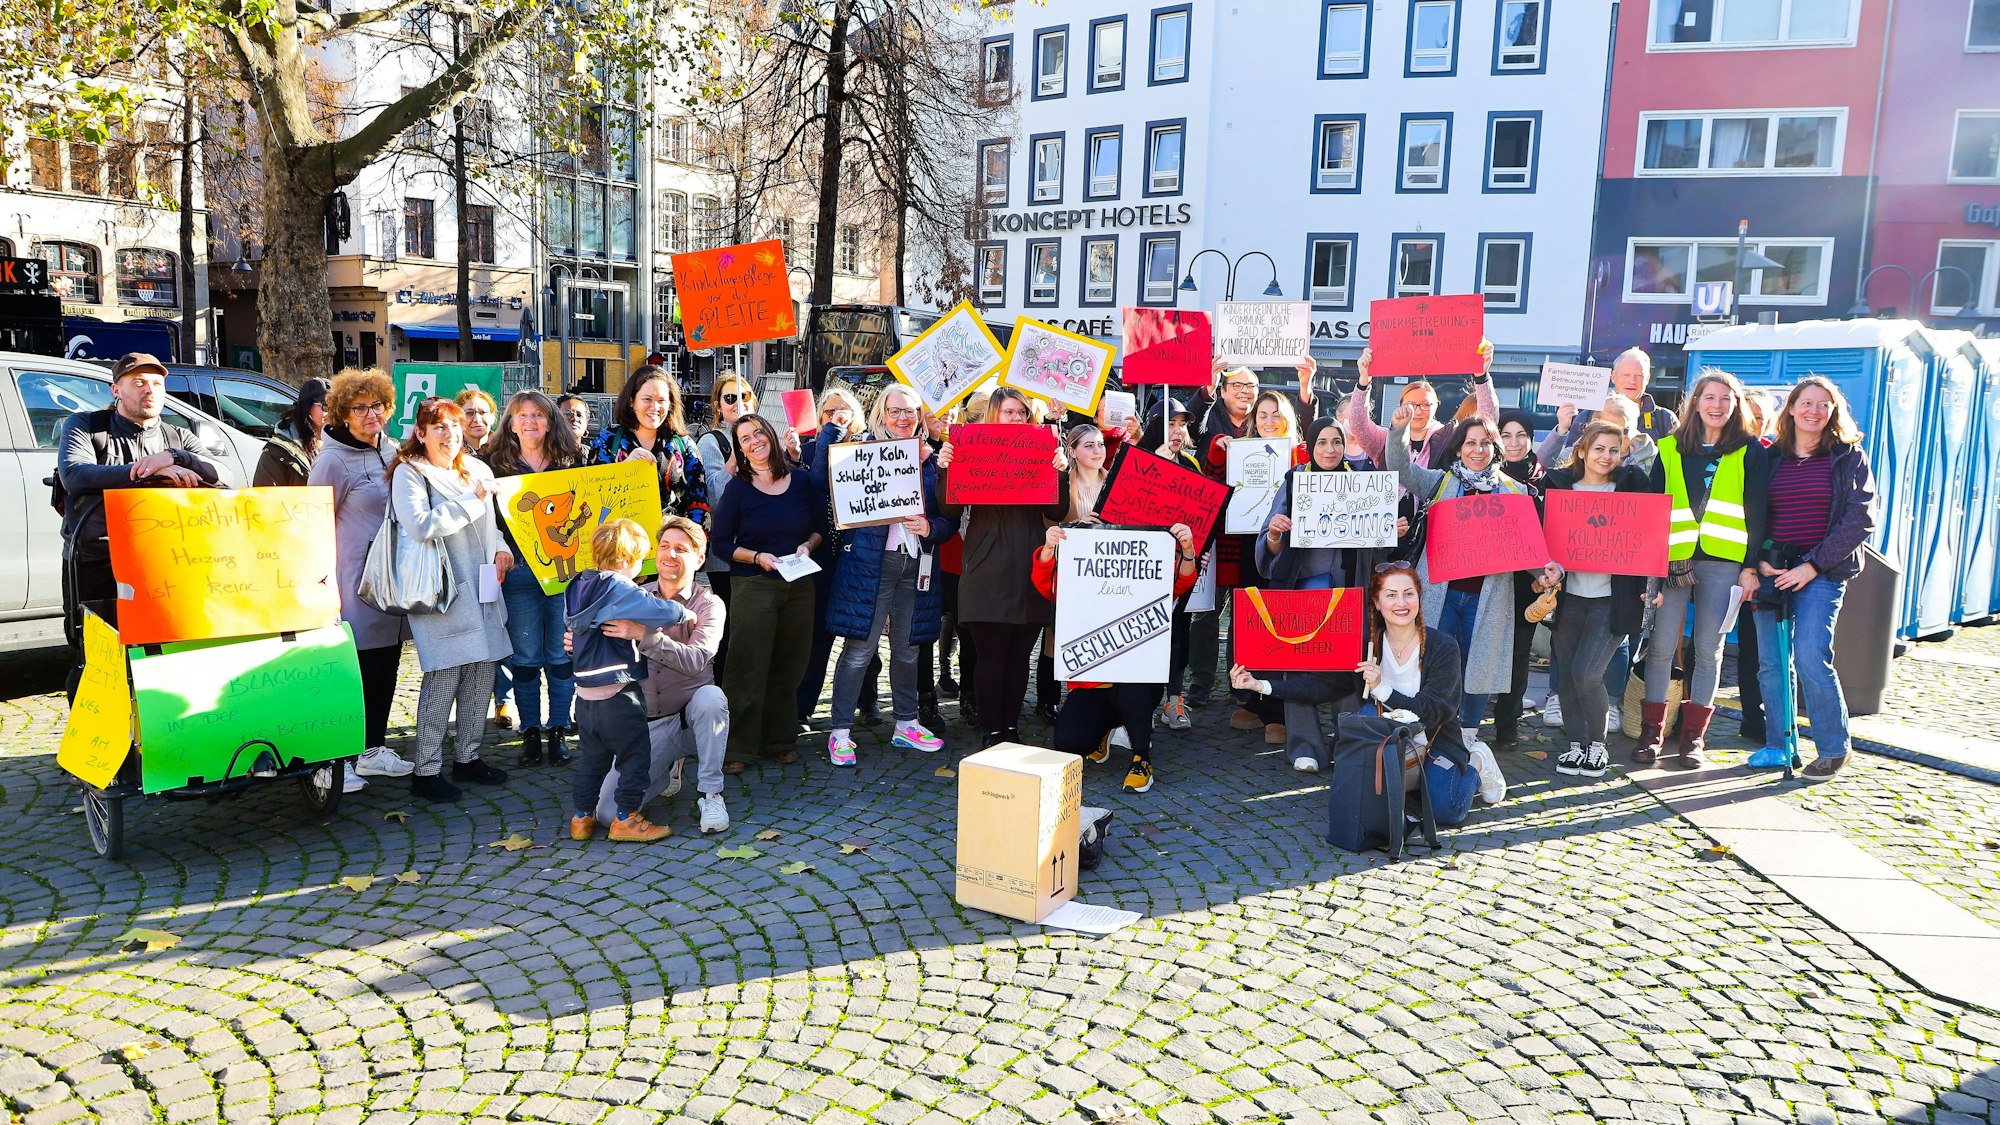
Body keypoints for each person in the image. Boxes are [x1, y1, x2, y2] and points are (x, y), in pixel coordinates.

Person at [1237, 560, 1482, 825]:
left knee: (1446, 811)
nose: (1401, 603)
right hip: (1387, 746)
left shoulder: (1443, 646)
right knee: (1368, 729)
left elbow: (1434, 712)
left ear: (1419, 597)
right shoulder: (1366, 646)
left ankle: (1478, 761)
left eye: (1408, 594)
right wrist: (1260, 685)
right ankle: (1412, 780)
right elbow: (1320, 685)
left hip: (1435, 740)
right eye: (1391, 595)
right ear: (1377, 602)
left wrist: (1382, 689)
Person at [55, 352, 223, 699]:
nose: (150, 390)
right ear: (116, 389)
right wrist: (149, 473)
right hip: (98, 559)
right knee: (96, 656)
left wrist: (174, 457)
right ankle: (96, 732)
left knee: (166, 652)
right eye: (139, 382)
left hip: (166, 564)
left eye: (157, 383)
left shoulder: (178, 436)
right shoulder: (86, 425)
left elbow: (223, 475)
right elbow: (74, 474)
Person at [1386, 407, 1544, 756]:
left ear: (1495, 448)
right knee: (1431, 663)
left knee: (1479, 667)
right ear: (1458, 448)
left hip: (1487, 598)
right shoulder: (1440, 482)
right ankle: (1429, 728)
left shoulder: (1515, 491)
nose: (1478, 449)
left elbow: (1527, 547)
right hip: (1440, 594)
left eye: (1485, 442)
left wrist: (1545, 572)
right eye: (1470, 443)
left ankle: (1468, 734)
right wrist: (1398, 429)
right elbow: (1400, 467)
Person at [818, 385, 958, 765]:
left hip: (916, 563)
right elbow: (824, 487)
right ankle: (840, 731)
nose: (903, 418)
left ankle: (906, 723)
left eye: (910, 411)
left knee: (908, 648)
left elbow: (949, 519)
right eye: (895, 411)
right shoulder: (860, 453)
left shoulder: (930, 460)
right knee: (860, 649)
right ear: (881, 414)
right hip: (871, 565)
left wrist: (929, 527)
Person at [1744, 377, 1877, 778]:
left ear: (1834, 411)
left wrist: (1813, 565)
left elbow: (1861, 518)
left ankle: (1834, 748)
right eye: (1806, 403)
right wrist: (1759, 560)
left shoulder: (1848, 457)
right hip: (1773, 570)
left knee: (1810, 656)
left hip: (1823, 572)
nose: (1814, 411)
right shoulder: (1770, 456)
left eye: (1823, 405)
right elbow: (1751, 512)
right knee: (1771, 663)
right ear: (1791, 408)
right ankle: (1779, 744)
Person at [1252, 416, 1399, 769]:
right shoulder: (1295, 481)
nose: (1330, 449)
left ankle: (1347, 742)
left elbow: (1375, 547)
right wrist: (1275, 532)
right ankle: (1305, 746)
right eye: (1322, 442)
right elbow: (1269, 545)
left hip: (1349, 594)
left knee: (1348, 665)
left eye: (1336, 442)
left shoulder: (1360, 482)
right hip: (1302, 592)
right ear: (1311, 446)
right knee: (1300, 665)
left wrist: (1390, 530)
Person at [1637, 369, 1763, 770]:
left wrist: (1750, 568)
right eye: (1710, 397)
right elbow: (1653, 509)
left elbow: (1758, 513)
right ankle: (1651, 734)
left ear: (1736, 405)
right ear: (1695, 402)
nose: (1717, 405)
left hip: (1724, 562)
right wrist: (1648, 566)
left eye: (1726, 398)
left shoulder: (1750, 450)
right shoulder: (1669, 447)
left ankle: (1693, 738)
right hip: (1672, 561)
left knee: (1709, 649)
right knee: (1660, 647)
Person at [390, 396, 514, 802]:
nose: (450, 434)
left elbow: (492, 523)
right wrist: (472, 500)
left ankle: (468, 756)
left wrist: (501, 548)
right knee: (443, 676)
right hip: (441, 591)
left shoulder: (476, 468)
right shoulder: (410, 472)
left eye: (455, 425)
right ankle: (426, 770)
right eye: (439, 427)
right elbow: (419, 526)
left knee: (482, 672)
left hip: (483, 584)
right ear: (421, 433)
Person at [937, 387, 1069, 747]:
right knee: (991, 656)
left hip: (1029, 564)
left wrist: (1060, 472)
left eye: (1022, 413)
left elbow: (1056, 511)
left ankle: (1010, 727)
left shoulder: (1041, 449)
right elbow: (949, 508)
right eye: (1009, 412)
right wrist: (946, 467)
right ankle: (993, 729)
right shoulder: (970, 446)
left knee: (1018, 657)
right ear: (994, 414)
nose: (1016, 419)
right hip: (986, 566)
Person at [309, 369, 416, 792]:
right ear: (343, 413)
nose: (371, 414)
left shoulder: (392, 450)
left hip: (392, 577)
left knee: (386, 665)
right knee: (354, 670)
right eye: (360, 408)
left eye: (378, 406)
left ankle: (372, 750)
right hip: (353, 579)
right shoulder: (332, 460)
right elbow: (314, 523)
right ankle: (339, 759)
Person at [1036, 521, 1200, 794]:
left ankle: (1141, 758)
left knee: (1131, 685)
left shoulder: (1144, 574)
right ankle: (1104, 730)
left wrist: (1188, 550)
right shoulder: (1077, 575)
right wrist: (1051, 547)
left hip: (1138, 681)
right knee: (1069, 741)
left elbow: (1180, 582)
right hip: (1092, 684)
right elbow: (1046, 584)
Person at [564, 518, 693, 842]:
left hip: (585, 698)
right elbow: (658, 611)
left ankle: (581, 817)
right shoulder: (619, 587)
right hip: (619, 694)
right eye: (639, 559)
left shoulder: (580, 584)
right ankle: (627, 818)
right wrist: (683, 613)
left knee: (592, 760)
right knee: (635, 757)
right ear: (625, 559)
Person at [1540, 421, 1656, 777]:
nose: (1606, 456)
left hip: (1611, 600)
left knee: (1587, 673)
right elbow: (1541, 537)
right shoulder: (1558, 486)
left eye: (1614, 450)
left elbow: (1650, 535)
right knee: (1567, 677)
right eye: (1599, 449)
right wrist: (1543, 572)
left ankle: (1598, 744)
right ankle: (1577, 745)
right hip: (1568, 599)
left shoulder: (1631, 486)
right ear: (1582, 451)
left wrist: (1653, 588)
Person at [711, 413, 825, 769]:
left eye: (758, 432)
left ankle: (779, 738)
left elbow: (820, 528)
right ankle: (737, 747)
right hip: (754, 584)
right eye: (745, 438)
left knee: (790, 664)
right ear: (740, 449)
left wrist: (808, 546)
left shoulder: (801, 480)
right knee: (747, 665)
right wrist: (756, 557)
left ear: (771, 436)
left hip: (799, 583)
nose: (754, 441)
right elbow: (720, 543)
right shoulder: (738, 489)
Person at [486, 390, 586, 767]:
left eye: (538, 415)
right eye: (522, 415)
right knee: (525, 655)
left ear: (550, 421)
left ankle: (558, 727)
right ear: (511, 423)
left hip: (565, 573)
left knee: (561, 654)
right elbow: (486, 521)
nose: (530, 421)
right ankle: (529, 730)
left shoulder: (572, 460)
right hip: (518, 574)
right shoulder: (492, 465)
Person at [625, 516, 731, 833]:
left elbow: (697, 660)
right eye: (664, 546)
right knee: (609, 811)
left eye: (681, 549)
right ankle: (667, 766)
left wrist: (643, 635)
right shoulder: (634, 596)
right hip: (647, 723)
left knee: (712, 699)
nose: (670, 554)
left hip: (689, 719)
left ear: (699, 559)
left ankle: (711, 794)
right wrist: (577, 644)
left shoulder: (710, 604)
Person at [795, 385, 880, 729]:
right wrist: (830, 435)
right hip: (820, 554)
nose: (836, 416)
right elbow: (816, 481)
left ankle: (867, 700)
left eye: (844, 410)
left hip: (858, 554)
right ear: (820, 417)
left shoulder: (867, 448)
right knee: (817, 634)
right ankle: (802, 706)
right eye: (829, 411)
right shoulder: (808, 450)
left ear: (857, 416)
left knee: (863, 633)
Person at [1343, 342, 1500, 473]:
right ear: (1399, 406)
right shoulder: (1385, 439)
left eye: (1425, 405)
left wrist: (1481, 376)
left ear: (1436, 407)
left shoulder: (1449, 437)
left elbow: (1487, 421)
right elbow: (1358, 424)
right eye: (1411, 405)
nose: (1418, 411)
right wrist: (1364, 380)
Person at [1491, 410, 1547, 751]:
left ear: (1530, 439)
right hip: (1487, 578)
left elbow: (1549, 532)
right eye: (1506, 435)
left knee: (1518, 655)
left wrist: (1542, 575)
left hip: (1527, 581)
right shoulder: (1484, 476)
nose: (1513, 443)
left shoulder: (1545, 480)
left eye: (1521, 435)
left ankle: (1507, 725)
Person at [1146, 397, 1205, 730]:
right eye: (1171, 423)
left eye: (1182, 424)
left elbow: (1205, 513)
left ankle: (1174, 699)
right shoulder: (1138, 459)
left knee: (1179, 632)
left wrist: (1202, 548)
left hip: (1180, 568)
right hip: (1145, 569)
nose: (1178, 431)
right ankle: (1139, 704)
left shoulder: (1192, 464)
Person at [588, 365, 709, 524]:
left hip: (672, 536)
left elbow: (699, 503)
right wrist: (624, 470)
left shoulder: (684, 445)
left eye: (661, 401)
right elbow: (592, 496)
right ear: (632, 401)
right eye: (647, 399)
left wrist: (691, 538)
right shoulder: (607, 441)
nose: (655, 407)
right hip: (622, 536)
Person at [697, 372, 761, 602]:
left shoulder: (763, 438)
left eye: (744, 396)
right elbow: (713, 497)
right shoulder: (711, 441)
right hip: (727, 556)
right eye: (730, 398)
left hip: (760, 545)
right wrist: (734, 459)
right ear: (718, 406)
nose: (738, 403)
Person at [1545, 348, 1679, 453]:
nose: (1632, 381)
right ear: (1613, 377)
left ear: (1648, 378)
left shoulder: (1665, 419)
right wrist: (1562, 429)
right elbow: (1568, 459)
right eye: (1625, 375)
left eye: (1638, 376)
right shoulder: (1587, 416)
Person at [252, 377, 328, 487]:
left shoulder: (344, 444)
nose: (333, 413)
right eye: (325, 406)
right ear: (307, 407)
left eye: (339, 407)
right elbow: (265, 495)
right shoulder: (278, 453)